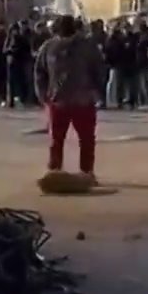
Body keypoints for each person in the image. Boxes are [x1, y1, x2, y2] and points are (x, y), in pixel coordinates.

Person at [34, 14, 104, 178]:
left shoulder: (87, 47)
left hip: (83, 100)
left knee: (86, 139)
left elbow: (99, 69)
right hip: (57, 101)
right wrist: (43, 94)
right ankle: (54, 171)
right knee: (56, 140)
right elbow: (40, 72)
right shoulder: (49, 47)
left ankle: (87, 172)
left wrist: (96, 92)